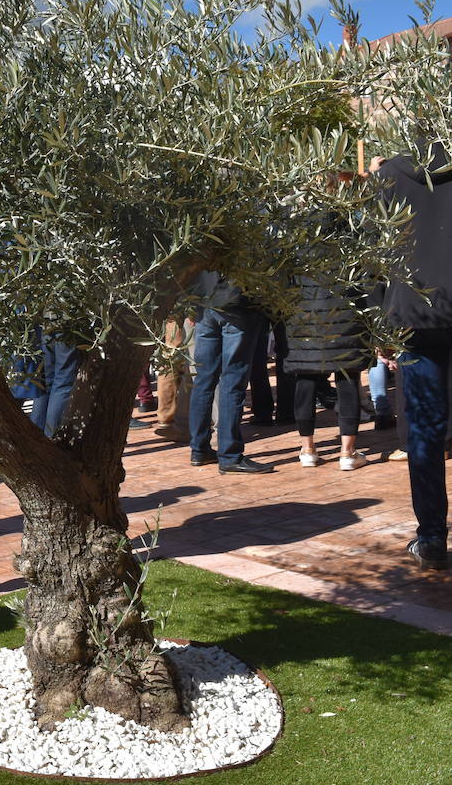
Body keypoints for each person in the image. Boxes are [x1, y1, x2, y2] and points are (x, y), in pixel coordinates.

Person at [376, 147, 452, 570]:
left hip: (412, 314)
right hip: (415, 317)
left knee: (424, 430)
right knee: (424, 428)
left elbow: (369, 254)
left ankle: (431, 537)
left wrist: (379, 319)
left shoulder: (390, 175)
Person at [189, 272, 274, 473]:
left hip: (206, 302)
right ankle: (229, 455)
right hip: (238, 305)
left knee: (203, 380)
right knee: (232, 381)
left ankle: (199, 449)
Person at [286, 276, 370, 470]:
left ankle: (307, 450)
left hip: (305, 317)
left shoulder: (296, 246)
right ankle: (347, 452)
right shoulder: (351, 244)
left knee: (305, 378)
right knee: (347, 378)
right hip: (345, 317)